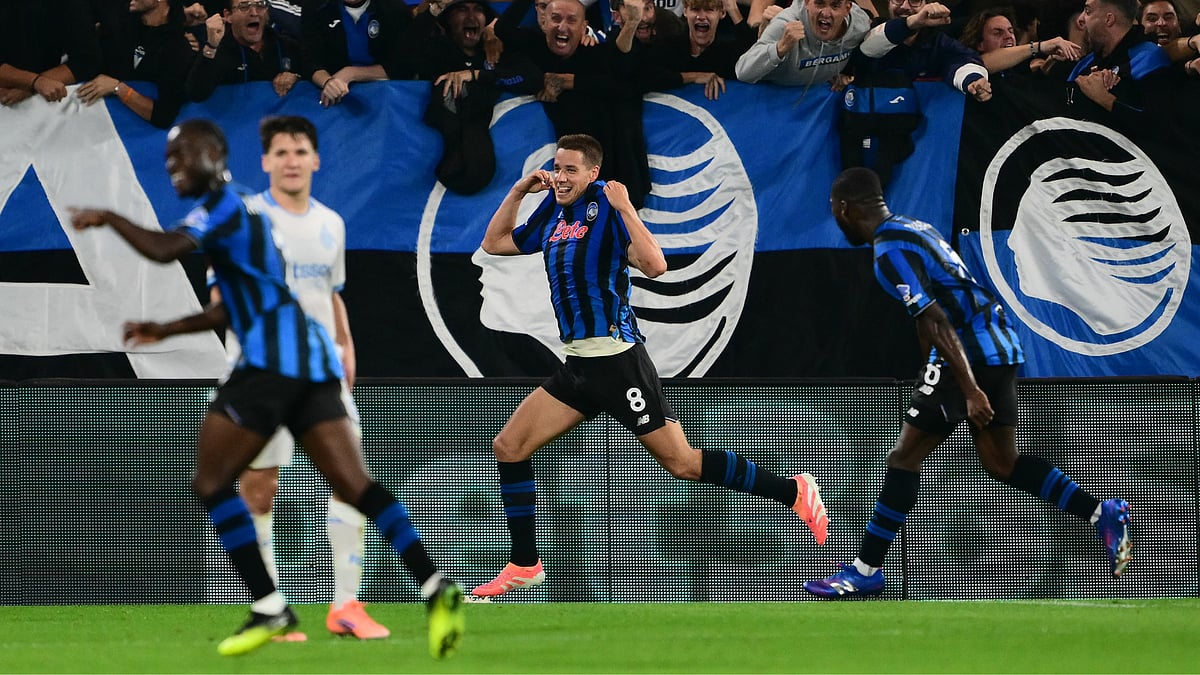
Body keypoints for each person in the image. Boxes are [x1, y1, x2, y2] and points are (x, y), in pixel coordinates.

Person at [69, 118, 464, 657]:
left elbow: (165, 250)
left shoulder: (225, 206)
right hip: (312, 362)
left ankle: (270, 607)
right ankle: (436, 586)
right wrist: (166, 329)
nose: (173, 171)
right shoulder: (254, 212)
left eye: (179, 159)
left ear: (211, 153)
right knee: (357, 486)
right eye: (167, 163)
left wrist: (109, 216)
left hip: (267, 366)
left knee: (211, 484)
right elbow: (233, 304)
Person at [473, 133, 828, 598]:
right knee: (510, 447)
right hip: (578, 366)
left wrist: (627, 209)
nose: (560, 177)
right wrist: (519, 192)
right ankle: (524, 563)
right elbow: (496, 243)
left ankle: (794, 491)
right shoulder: (555, 211)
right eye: (557, 168)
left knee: (682, 464)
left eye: (570, 170)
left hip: (618, 364)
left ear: (593, 173)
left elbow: (656, 265)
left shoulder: (607, 207)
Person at [803, 167, 1133, 599]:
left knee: (904, 457)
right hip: (1000, 345)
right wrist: (930, 376)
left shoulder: (887, 250)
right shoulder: (912, 228)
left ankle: (865, 569)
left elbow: (936, 322)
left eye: (834, 210)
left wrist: (970, 388)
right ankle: (1100, 513)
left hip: (970, 353)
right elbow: (930, 315)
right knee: (1002, 461)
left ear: (844, 209)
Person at [419, 0, 543, 194]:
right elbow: (403, 57)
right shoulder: (435, 51)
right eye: (461, 9)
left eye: (478, 9)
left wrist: (479, 75)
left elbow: (533, 80)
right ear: (448, 19)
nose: (471, 16)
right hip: (438, 173)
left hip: (501, 172)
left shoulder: (498, 49)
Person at [80, 0, 197, 129]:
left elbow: (164, 116)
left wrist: (118, 88)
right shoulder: (119, 20)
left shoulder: (178, 50)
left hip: (132, 132)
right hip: (94, 114)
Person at [1067, 0, 1173, 135]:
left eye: (1088, 11)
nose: (1081, 19)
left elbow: (1159, 127)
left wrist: (1105, 99)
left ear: (1109, 19)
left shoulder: (1149, 58)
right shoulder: (1084, 64)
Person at [185, 0, 312, 101]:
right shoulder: (217, 50)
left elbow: (311, 74)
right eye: (244, 6)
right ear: (228, 16)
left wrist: (295, 77)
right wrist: (211, 46)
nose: (254, 12)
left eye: (260, 5)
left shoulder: (286, 45)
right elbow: (197, 94)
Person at [303, 0, 418, 108]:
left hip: (385, 94)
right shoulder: (316, 7)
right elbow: (309, 59)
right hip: (334, 92)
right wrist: (327, 82)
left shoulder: (395, 10)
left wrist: (352, 73)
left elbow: (404, 66)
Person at [735, 0, 873, 88]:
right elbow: (743, 72)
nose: (826, 13)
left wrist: (848, 74)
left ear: (847, 8)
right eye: (819, 3)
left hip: (814, 103)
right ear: (807, 2)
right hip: (770, 94)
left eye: (835, 5)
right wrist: (780, 47)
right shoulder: (785, 24)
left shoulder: (861, 25)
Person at [639, 0, 756, 101]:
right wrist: (694, 77)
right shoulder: (670, 43)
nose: (701, 16)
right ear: (685, 11)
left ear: (722, 13)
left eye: (709, 10)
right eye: (695, 9)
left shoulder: (727, 50)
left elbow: (754, 59)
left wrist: (734, 11)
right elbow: (646, 76)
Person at [0, 0, 101, 107]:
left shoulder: (69, 5)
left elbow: (86, 59)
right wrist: (32, 82)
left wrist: (34, 84)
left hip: (44, 91)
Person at [957, 7, 1081, 75]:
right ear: (980, 44)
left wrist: (1048, 65)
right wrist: (1041, 46)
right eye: (997, 32)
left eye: (1010, 31)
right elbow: (983, 63)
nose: (1008, 36)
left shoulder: (1021, 69)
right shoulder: (970, 67)